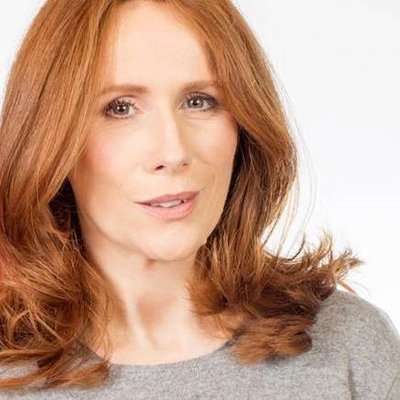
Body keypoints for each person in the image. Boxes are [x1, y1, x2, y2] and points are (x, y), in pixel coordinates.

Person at [0, 0, 399, 398]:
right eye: (120, 108)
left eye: (199, 101)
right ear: (49, 137)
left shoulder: (348, 348)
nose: (174, 152)